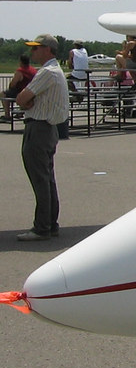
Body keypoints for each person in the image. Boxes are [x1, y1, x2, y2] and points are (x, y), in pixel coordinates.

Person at [16, 35, 70, 241]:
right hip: (49, 128)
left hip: (39, 128)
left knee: (40, 180)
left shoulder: (47, 72)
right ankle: (50, 223)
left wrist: (26, 102)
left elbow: (22, 98)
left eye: (36, 48)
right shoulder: (56, 71)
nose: (32, 52)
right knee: (47, 180)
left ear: (47, 49)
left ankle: (42, 227)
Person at [3, 54, 36, 121]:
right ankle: (20, 113)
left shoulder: (20, 71)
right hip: (31, 91)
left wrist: (10, 87)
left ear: (21, 61)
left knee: (3, 94)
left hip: (21, 92)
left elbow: (13, 84)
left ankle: (7, 115)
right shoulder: (33, 70)